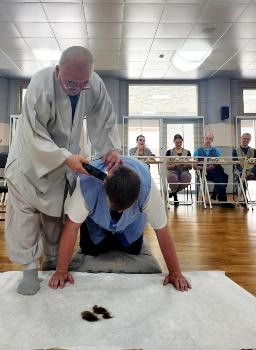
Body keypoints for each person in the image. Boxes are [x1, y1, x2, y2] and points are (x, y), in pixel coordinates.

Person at [4, 46, 121, 295]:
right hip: (29, 162)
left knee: (54, 218)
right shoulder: (39, 86)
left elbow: (105, 117)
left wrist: (110, 149)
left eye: (82, 83)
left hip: (63, 164)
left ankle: (52, 261)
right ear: (58, 71)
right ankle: (28, 270)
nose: (76, 87)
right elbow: (35, 134)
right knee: (25, 218)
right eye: (70, 82)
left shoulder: (94, 84)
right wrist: (65, 157)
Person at [48, 157, 191, 292]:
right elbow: (72, 227)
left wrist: (175, 272)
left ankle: (122, 238)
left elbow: (162, 230)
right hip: (96, 225)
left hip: (130, 226)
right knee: (90, 249)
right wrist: (61, 270)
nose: (121, 210)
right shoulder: (87, 184)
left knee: (133, 250)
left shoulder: (148, 189)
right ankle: (102, 239)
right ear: (104, 186)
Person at [194, 132, 234, 208]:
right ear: (204, 138)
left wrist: (213, 165)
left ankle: (217, 195)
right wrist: (205, 168)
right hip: (204, 173)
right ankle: (222, 201)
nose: (208, 140)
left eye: (210, 139)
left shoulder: (216, 151)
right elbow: (194, 166)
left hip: (215, 172)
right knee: (224, 176)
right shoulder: (197, 151)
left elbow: (219, 162)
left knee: (222, 175)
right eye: (207, 138)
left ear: (212, 140)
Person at [166, 134, 192, 206]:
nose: (179, 144)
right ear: (173, 141)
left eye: (180, 142)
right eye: (177, 142)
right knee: (172, 177)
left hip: (184, 171)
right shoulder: (169, 152)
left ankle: (173, 193)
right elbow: (167, 167)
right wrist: (176, 165)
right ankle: (175, 198)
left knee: (186, 177)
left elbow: (190, 167)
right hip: (173, 171)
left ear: (182, 141)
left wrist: (186, 164)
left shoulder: (187, 152)